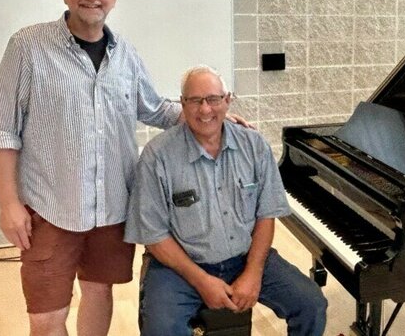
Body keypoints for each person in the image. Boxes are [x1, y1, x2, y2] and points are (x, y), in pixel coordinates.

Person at [0, 0, 187, 336]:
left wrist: (209, 115)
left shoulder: (125, 53)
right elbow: (2, 130)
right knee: (46, 319)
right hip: (49, 209)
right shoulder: (28, 47)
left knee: (99, 293)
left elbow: (156, 109)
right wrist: (9, 204)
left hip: (111, 208)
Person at [124, 65, 327, 336]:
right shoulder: (157, 156)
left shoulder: (254, 146)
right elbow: (153, 235)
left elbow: (266, 214)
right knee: (160, 328)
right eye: (195, 101)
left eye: (213, 99)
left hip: (245, 258)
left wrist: (253, 272)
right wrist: (202, 280)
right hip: (181, 267)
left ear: (227, 101)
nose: (205, 110)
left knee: (311, 304)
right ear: (182, 105)